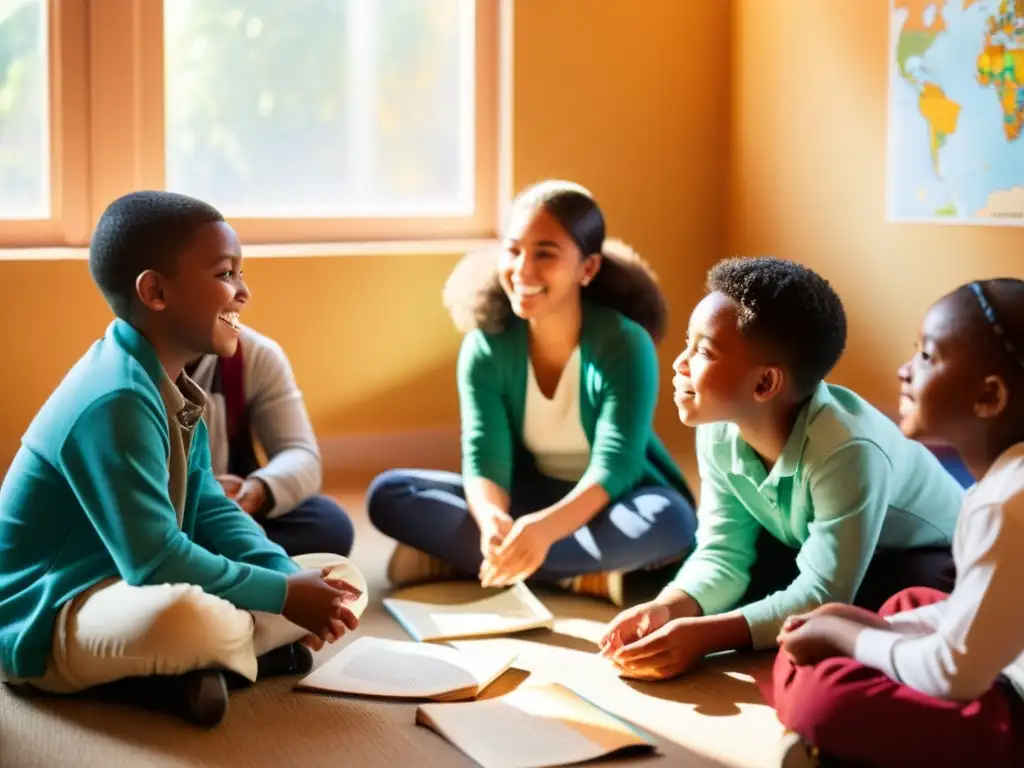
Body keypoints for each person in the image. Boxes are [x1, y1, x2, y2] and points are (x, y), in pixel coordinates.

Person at [0, 191, 367, 728]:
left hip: (123, 586)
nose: (243, 292)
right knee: (189, 619)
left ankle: (202, 670)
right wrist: (282, 595)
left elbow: (214, 509)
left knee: (340, 578)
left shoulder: (171, 383)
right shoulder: (116, 398)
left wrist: (289, 580)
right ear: (155, 291)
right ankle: (219, 661)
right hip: (48, 612)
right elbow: (156, 561)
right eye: (225, 273)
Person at [599, 256, 963, 679]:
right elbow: (722, 551)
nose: (680, 363)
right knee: (754, 577)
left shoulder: (848, 450)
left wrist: (702, 636)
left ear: (764, 384)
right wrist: (667, 607)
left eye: (702, 351)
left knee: (858, 614)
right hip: (813, 540)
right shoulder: (718, 428)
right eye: (687, 342)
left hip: (923, 556)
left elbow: (823, 594)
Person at [367, 180, 697, 607]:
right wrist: (491, 524)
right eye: (513, 249)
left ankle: (470, 562)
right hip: (529, 495)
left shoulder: (624, 343)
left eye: (545, 253)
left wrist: (543, 532)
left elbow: (617, 467)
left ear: (588, 268)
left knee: (671, 523)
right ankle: (581, 577)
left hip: (611, 500)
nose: (522, 270)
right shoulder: (486, 346)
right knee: (390, 495)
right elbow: (485, 455)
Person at [772, 279, 1024, 767]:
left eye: (927, 357)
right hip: (1002, 659)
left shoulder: (1006, 505)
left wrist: (847, 638)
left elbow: (958, 674)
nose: (904, 370)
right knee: (905, 604)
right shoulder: (1000, 482)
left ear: (989, 397)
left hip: (1011, 706)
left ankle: (824, 735)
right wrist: (865, 626)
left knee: (825, 694)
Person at [185, 324, 354, 558]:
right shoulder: (126, 365)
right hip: (158, 512)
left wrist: (257, 491)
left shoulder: (253, 354)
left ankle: (197, 560)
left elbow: (300, 452)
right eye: (224, 283)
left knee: (330, 525)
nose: (242, 295)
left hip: (235, 510)